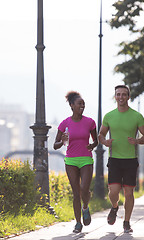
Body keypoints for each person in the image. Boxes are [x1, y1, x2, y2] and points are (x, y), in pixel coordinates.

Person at [98, 85, 144, 233]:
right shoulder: (109, 116)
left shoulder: (136, 116)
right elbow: (101, 134)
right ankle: (114, 207)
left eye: (124, 94)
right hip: (114, 159)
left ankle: (126, 222)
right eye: (118, 94)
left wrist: (138, 141)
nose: (121, 97)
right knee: (113, 192)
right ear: (115, 97)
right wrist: (104, 142)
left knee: (129, 193)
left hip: (130, 160)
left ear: (128, 97)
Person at [53, 91, 98, 233]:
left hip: (86, 159)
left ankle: (85, 207)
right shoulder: (64, 123)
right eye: (79, 103)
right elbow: (55, 145)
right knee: (76, 192)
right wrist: (63, 140)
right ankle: (78, 223)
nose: (82, 105)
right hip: (71, 160)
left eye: (83, 103)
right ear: (72, 105)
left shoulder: (90, 122)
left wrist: (92, 145)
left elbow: (95, 140)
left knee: (84, 188)